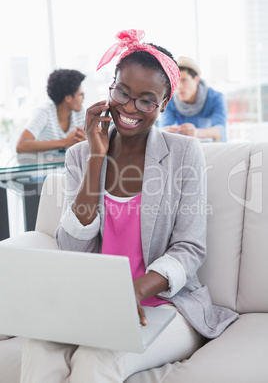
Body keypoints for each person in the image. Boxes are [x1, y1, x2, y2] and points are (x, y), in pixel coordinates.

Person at [20, 30, 238, 383]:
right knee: (38, 348)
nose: (130, 107)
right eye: (123, 92)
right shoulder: (80, 155)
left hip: (163, 304)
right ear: (111, 88)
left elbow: (190, 247)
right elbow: (72, 246)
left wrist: (134, 291)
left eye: (146, 100)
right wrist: (95, 158)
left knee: (97, 359)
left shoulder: (183, 154)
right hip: (93, 302)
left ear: (164, 104)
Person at [16, 69, 87, 153]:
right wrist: (65, 142)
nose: (83, 98)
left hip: (66, 165)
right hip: (40, 164)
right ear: (68, 98)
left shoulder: (79, 112)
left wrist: (86, 139)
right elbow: (21, 146)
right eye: (80, 95)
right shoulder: (44, 112)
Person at [159, 56, 227, 142]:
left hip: (209, 149)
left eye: (184, 80)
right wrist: (167, 131)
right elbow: (163, 128)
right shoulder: (170, 101)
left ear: (196, 80)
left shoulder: (215, 98)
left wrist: (196, 133)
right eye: (176, 81)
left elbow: (220, 131)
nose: (179, 87)